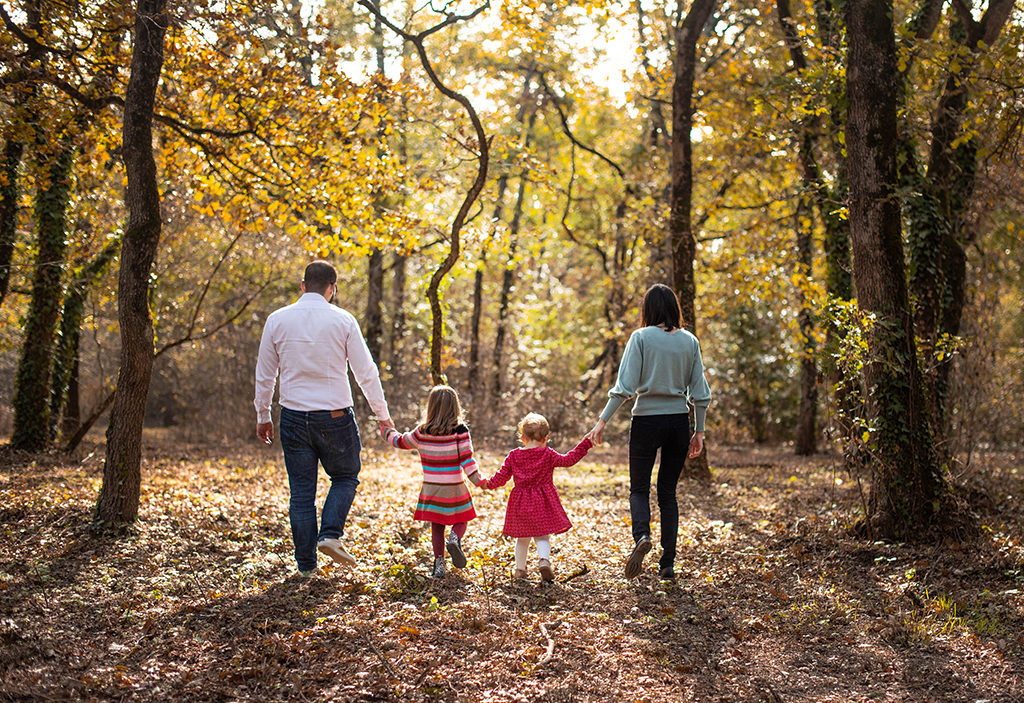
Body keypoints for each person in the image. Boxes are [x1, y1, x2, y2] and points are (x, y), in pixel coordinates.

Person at [254, 260, 394, 577]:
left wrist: (263, 414)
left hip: (292, 417)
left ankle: (306, 569)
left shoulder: (277, 320)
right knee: (345, 477)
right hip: (334, 418)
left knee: (301, 493)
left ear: (303, 286)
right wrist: (382, 415)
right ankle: (330, 534)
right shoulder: (343, 320)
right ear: (332, 288)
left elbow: (265, 375)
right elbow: (366, 373)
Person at [586, 283, 711, 581]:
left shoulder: (640, 337)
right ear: (674, 309)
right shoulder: (690, 341)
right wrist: (700, 431)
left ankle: (642, 536)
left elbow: (625, 388)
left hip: (646, 421)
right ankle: (667, 563)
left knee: (639, 489)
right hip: (679, 421)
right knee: (668, 493)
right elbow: (701, 393)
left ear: (648, 309)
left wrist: (602, 420)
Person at [382, 385, 484, 579]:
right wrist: (478, 480)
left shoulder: (422, 432)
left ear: (431, 407)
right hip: (454, 487)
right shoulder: (460, 430)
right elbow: (467, 459)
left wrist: (386, 431)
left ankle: (439, 566)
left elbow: (400, 441)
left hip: (431, 489)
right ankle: (455, 539)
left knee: (437, 526)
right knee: (462, 518)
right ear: (455, 407)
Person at [483, 413, 592, 582]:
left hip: (520, 503)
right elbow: (568, 460)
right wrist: (585, 444)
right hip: (542, 501)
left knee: (522, 538)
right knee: (542, 536)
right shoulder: (547, 454)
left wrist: (488, 484)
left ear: (523, 437)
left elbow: (502, 476)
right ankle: (543, 560)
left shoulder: (513, 455)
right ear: (546, 438)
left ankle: (520, 570)